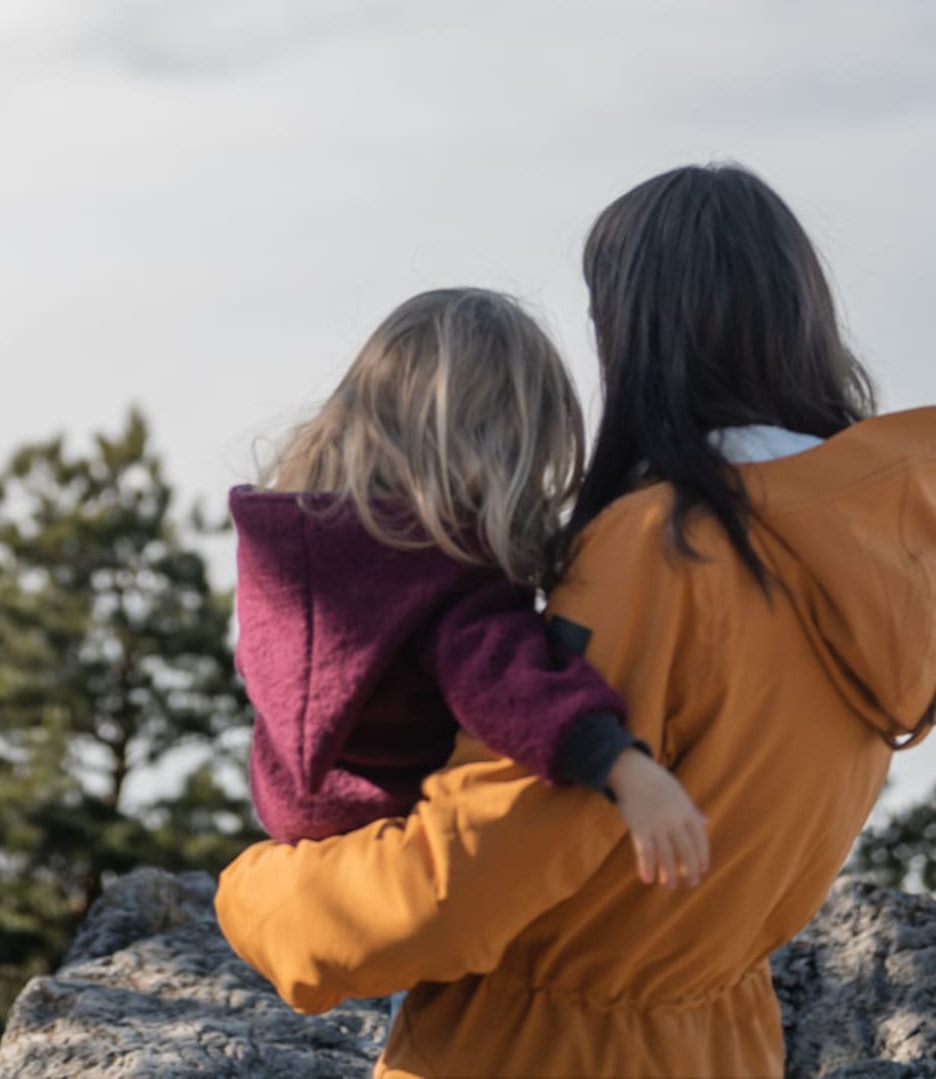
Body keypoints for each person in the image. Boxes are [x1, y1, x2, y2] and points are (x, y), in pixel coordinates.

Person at [216, 164, 936, 1079]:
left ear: (634, 333)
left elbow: (472, 872)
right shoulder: (886, 549)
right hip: (725, 1048)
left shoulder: (662, 547)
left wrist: (262, 896)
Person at [231, 287, 707, 888]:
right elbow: (507, 683)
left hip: (295, 824)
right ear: (502, 447)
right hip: (397, 834)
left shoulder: (293, 550)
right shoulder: (439, 572)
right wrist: (625, 769)